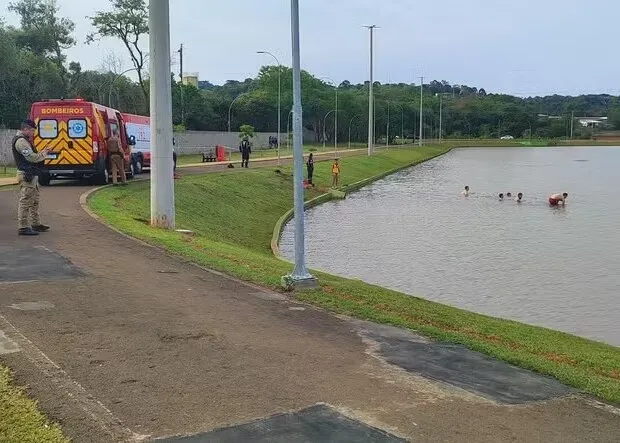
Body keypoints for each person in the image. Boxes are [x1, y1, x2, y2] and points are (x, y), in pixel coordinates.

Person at [12, 119, 52, 236]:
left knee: (34, 200)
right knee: (26, 201)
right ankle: (23, 227)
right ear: (25, 129)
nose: (33, 133)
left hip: (31, 174)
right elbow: (32, 158)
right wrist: (44, 153)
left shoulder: (25, 140)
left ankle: (35, 223)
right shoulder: (21, 142)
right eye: (32, 130)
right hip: (26, 175)